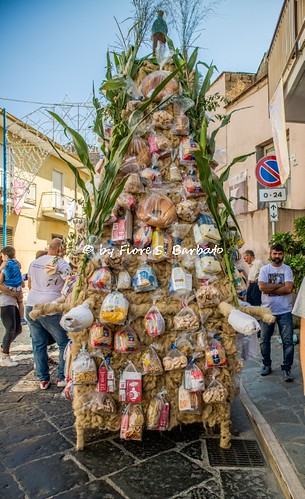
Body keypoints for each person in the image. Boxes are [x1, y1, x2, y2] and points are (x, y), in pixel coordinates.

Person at [25, 238, 71, 390]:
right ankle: (62, 377)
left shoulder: (35, 262)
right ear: (59, 250)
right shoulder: (61, 262)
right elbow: (71, 283)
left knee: (38, 344)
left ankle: (43, 379)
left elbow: (30, 285)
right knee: (64, 342)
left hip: (31, 304)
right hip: (50, 306)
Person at [258, 243, 294, 381]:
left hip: (285, 311)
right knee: (264, 341)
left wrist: (271, 287)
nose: (277, 256)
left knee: (288, 341)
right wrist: (281, 285)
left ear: (283, 254)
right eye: (274, 253)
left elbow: (288, 289)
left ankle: (287, 369)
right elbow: (262, 287)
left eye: (279, 254)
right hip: (267, 311)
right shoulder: (264, 269)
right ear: (270, 254)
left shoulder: (287, 269)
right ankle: (267, 365)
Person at [0, 250, 23, 367]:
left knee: (18, 329)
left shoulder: (12, 266)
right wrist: (11, 293)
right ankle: (5, 356)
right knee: (10, 329)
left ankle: (3, 347)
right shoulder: (4, 268)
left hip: (12, 302)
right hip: (5, 302)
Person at [0, 246, 26, 324]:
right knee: (20, 302)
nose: (1, 258)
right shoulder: (16, 262)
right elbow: (23, 283)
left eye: (2, 256)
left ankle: (4, 317)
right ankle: (22, 318)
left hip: (9, 286)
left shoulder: (6, 263)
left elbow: (2, 268)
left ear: (6, 256)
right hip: (18, 286)